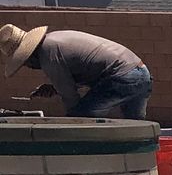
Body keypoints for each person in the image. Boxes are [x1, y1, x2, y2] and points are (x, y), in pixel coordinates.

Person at [0, 24, 152, 119]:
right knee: (138, 128)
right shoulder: (54, 40)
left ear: (30, 55)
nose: (29, 66)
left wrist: (72, 124)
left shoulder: (47, 54)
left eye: (24, 61)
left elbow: (70, 97)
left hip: (123, 77)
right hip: (141, 73)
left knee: (81, 117)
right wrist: (54, 88)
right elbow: (88, 66)